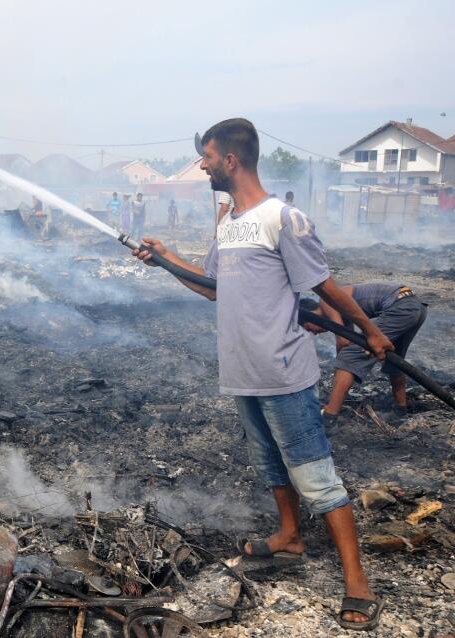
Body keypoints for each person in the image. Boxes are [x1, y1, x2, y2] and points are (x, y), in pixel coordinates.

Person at [132, 118, 392, 631]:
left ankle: (358, 584)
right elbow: (211, 288)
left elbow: (323, 285)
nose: (203, 165)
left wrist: (369, 332)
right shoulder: (228, 223)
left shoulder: (282, 217)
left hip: (282, 369)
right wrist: (164, 259)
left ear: (230, 160)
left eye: (207, 157)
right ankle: (290, 537)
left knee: (316, 478)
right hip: (242, 371)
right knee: (270, 466)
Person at [301, 283, 427, 428]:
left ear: (311, 315)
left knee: (352, 355)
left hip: (401, 307)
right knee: (394, 359)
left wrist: (343, 363)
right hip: (415, 307)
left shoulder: (326, 301)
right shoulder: (339, 310)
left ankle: (329, 416)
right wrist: (340, 365)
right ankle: (401, 411)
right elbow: (345, 343)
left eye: (309, 328)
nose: (314, 333)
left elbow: (343, 342)